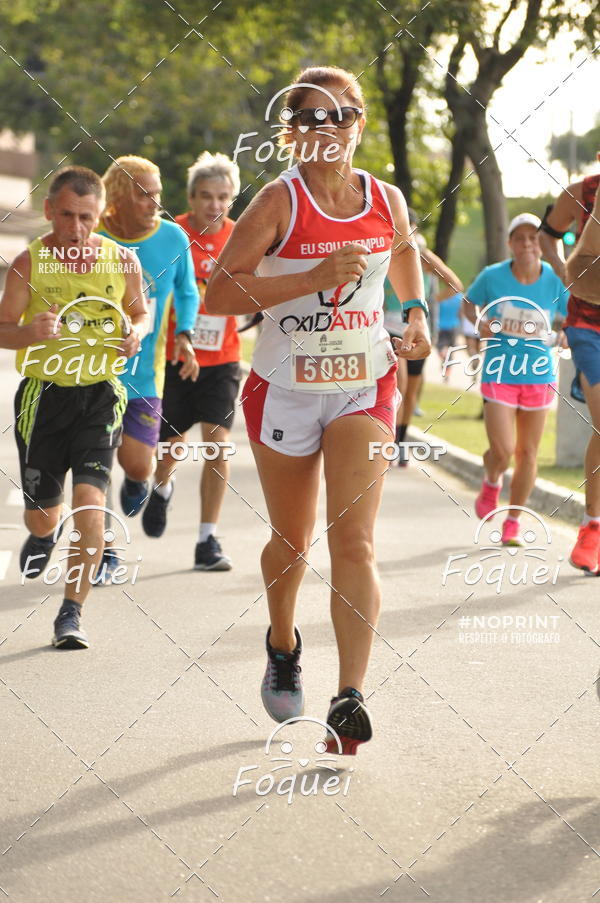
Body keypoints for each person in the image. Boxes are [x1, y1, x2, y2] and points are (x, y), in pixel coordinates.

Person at [205, 66, 431, 753]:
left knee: (354, 540)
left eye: (342, 114)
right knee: (294, 539)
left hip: (364, 382)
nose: (327, 127)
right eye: (311, 116)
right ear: (291, 130)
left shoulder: (384, 197)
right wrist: (310, 277)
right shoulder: (278, 200)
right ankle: (282, 640)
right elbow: (219, 294)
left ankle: (349, 696)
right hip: (283, 385)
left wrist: (415, 310)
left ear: (358, 124)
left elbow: (403, 255)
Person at [0, 165, 148, 648]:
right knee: (44, 515)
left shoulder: (122, 261)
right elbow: (2, 328)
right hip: (42, 398)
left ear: (101, 215)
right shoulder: (28, 263)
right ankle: (44, 534)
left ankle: (71, 611)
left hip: (100, 396)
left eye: (87, 217)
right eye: (67, 215)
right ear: (49, 211)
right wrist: (27, 333)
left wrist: (136, 335)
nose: (77, 228)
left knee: (91, 503)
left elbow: (140, 312)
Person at [94, 155, 199, 581]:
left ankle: (153, 484)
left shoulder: (173, 239)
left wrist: (185, 335)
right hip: (93, 372)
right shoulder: (93, 236)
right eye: (145, 194)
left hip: (144, 375)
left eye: (158, 192)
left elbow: (188, 292)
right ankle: (103, 551)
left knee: (137, 465)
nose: (156, 201)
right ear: (118, 197)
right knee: (94, 463)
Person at [143, 152, 242, 571]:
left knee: (219, 445)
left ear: (232, 199)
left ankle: (207, 540)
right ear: (191, 197)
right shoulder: (170, 235)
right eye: (206, 196)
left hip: (222, 359)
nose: (214, 206)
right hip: (172, 357)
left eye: (222, 197)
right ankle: (162, 489)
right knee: (170, 448)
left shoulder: (242, 238)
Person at [466, 213, 567, 545]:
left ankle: (512, 521)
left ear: (541, 244)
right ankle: (492, 478)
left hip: (539, 375)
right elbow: (469, 305)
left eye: (533, 238)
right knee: (504, 449)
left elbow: (570, 317)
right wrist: (481, 323)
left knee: (528, 453)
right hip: (499, 372)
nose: (527, 244)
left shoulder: (553, 279)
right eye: (520, 238)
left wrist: (566, 334)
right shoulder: (492, 276)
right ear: (510, 243)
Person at [538, 160, 600, 572]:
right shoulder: (581, 192)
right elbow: (548, 236)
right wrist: (566, 272)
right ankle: (592, 528)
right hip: (586, 323)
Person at [393, 210, 462, 464]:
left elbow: (454, 285)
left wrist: (428, 302)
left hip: (417, 330)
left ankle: (401, 441)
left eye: (410, 226)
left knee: (410, 390)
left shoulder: (421, 256)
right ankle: (389, 440)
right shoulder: (382, 251)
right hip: (388, 328)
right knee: (398, 384)